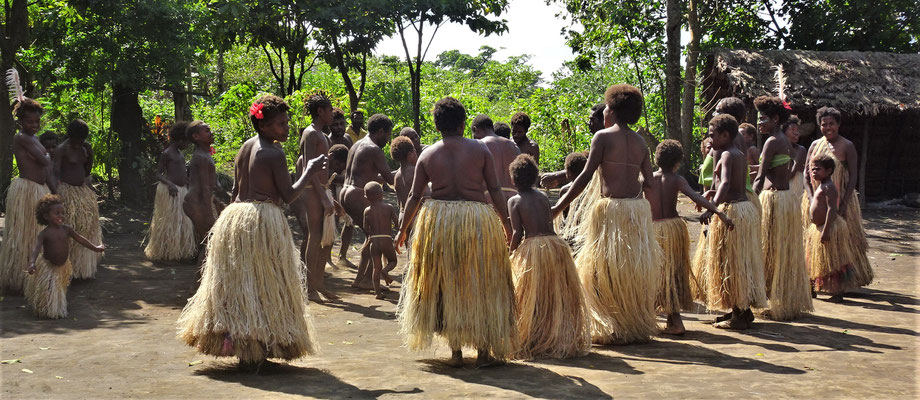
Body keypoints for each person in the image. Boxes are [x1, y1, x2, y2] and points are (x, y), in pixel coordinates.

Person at [178, 95, 325, 369]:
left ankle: (248, 349)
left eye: (287, 121)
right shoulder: (273, 153)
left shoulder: (245, 147)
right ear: (264, 125)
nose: (287, 127)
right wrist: (309, 171)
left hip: (236, 218)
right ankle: (256, 348)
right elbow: (289, 195)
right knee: (263, 285)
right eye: (281, 123)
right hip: (261, 220)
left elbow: (235, 192)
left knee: (244, 286)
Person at [396, 96, 516, 368]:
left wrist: (402, 230)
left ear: (437, 126)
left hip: (439, 221)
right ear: (463, 124)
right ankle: (484, 351)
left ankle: (456, 352)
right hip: (477, 219)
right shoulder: (479, 150)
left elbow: (415, 196)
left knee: (446, 283)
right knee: (482, 281)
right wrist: (506, 224)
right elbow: (495, 190)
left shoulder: (427, 153)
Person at [550, 84, 661, 344]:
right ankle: (631, 323)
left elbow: (584, 178)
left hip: (610, 210)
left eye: (606, 107)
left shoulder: (602, 138)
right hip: (636, 211)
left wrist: (558, 206)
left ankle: (612, 324)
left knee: (605, 269)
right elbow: (650, 182)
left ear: (610, 110)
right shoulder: (639, 142)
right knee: (630, 271)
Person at [646, 140, 733, 335]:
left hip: (653, 230)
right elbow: (697, 197)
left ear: (656, 159)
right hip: (673, 230)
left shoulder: (648, 179)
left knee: (656, 274)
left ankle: (657, 320)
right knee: (673, 275)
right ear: (677, 162)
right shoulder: (676, 179)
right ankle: (674, 321)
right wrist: (719, 212)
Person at [507, 154, 589, 359]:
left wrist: (510, 254)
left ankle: (536, 336)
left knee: (533, 296)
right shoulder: (543, 197)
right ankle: (554, 336)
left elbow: (517, 233)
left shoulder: (514, 201)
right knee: (553, 293)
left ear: (512, 180)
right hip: (555, 245)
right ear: (535, 177)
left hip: (534, 247)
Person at [698, 114, 768, 330]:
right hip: (742, 208)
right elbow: (727, 182)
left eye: (713, 135)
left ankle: (739, 315)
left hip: (734, 211)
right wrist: (713, 192)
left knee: (734, 263)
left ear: (725, 135)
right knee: (738, 261)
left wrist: (712, 208)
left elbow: (726, 183)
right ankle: (742, 311)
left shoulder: (727, 154)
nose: (710, 139)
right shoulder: (738, 153)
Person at [753, 96, 813, 321]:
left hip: (775, 200)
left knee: (773, 252)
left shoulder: (772, 141)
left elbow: (760, 177)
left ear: (776, 119)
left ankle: (777, 302)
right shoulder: (783, 140)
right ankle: (783, 301)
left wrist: (750, 202)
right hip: (786, 200)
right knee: (781, 252)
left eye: (763, 118)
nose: (760, 123)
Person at [803, 106, 873, 292]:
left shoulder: (847, 146)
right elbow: (805, 174)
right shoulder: (815, 145)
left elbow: (853, 176)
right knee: (816, 242)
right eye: (824, 124)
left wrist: (843, 203)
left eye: (831, 124)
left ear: (838, 124)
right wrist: (811, 199)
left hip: (841, 201)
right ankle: (818, 279)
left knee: (844, 240)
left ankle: (845, 283)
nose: (828, 128)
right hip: (816, 201)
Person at [0, 98, 54, 295]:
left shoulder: (33, 138)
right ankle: (20, 277)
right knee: (25, 234)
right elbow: (43, 160)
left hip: (38, 190)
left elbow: (43, 162)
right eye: (30, 121)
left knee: (35, 233)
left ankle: (36, 276)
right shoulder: (21, 137)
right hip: (26, 190)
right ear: (20, 121)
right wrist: (48, 155)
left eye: (37, 121)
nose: (35, 125)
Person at [25, 194, 105, 318]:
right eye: (57, 213)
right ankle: (46, 309)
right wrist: (32, 263)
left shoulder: (67, 229)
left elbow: (81, 240)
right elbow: (36, 249)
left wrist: (95, 248)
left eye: (62, 213)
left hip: (63, 266)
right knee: (49, 290)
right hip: (49, 267)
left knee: (59, 289)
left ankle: (56, 309)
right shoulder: (44, 234)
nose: (61, 216)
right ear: (46, 216)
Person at [340, 113, 395, 290]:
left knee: (372, 237)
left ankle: (361, 279)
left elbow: (367, 174)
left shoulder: (358, 144)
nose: (388, 139)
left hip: (346, 191)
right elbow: (389, 178)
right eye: (388, 134)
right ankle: (367, 280)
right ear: (380, 131)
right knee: (378, 237)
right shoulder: (374, 149)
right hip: (357, 194)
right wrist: (409, 170)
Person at [298, 93, 338, 303]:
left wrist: (327, 194)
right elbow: (307, 168)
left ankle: (318, 283)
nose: (332, 113)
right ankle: (309, 288)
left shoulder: (323, 135)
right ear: (320, 111)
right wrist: (323, 196)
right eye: (330, 109)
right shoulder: (310, 134)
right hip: (313, 190)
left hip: (322, 189)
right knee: (315, 235)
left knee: (326, 238)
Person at [53, 119, 103, 279]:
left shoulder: (85, 147)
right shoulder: (62, 149)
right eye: (76, 140)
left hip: (82, 192)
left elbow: (87, 170)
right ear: (70, 137)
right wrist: (56, 195)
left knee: (86, 227)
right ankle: (68, 268)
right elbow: (55, 172)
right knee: (71, 228)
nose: (78, 144)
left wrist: (89, 155)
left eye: (82, 140)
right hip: (67, 193)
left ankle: (83, 268)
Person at [806, 155, 856, 302]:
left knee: (832, 261)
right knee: (816, 260)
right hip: (819, 228)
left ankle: (837, 293)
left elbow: (831, 209)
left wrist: (826, 230)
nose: (814, 172)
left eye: (818, 170)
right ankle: (813, 288)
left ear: (828, 171)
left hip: (828, 228)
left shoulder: (829, 187)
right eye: (813, 169)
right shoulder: (822, 185)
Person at [145, 121, 197, 261]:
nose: (188, 145)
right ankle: (166, 253)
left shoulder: (179, 153)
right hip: (171, 192)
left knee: (181, 222)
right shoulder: (167, 153)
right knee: (169, 223)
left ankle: (178, 252)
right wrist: (169, 184)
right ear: (180, 139)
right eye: (187, 142)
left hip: (181, 192)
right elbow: (158, 174)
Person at [183, 121, 222, 262]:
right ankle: (199, 280)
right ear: (196, 137)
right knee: (210, 242)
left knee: (209, 242)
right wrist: (208, 212)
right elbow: (205, 187)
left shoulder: (204, 154)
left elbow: (209, 185)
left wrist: (215, 201)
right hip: (197, 204)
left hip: (201, 202)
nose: (211, 133)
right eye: (207, 131)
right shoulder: (201, 157)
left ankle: (201, 279)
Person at [540, 104, 605, 189]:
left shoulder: (605, 139)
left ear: (603, 120)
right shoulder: (600, 138)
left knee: (565, 190)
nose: (589, 124)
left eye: (592, 120)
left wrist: (557, 176)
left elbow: (589, 170)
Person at [362, 182, 399, 300]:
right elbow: (397, 223)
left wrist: (370, 235)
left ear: (366, 197)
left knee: (375, 268)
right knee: (393, 261)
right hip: (386, 238)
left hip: (374, 240)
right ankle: (386, 271)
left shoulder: (367, 211)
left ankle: (377, 293)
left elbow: (365, 227)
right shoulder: (389, 207)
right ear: (382, 194)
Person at [472, 114, 520, 203]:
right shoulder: (513, 146)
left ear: (475, 130)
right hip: (514, 199)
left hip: (490, 200)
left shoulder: (479, 145)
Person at [327, 144, 354, 267]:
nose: (339, 127)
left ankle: (342, 257)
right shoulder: (324, 162)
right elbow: (331, 179)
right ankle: (326, 258)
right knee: (332, 224)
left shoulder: (347, 141)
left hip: (342, 191)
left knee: (350, 223)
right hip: (330, 193)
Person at [390, 136, 427, 214]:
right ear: (410, 154)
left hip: (404, 216)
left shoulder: (397, 176)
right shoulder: (415, 171)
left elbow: (399, 202)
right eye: (414, 151)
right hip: (417, 216)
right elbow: (426, 194)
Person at [784, 116, 807, 199]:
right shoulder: (778, 148)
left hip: (795, 188)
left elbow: (792, 172)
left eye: (797, 130)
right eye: (792, 130)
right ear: (783, 132)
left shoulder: (800, 150)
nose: (797, 133)